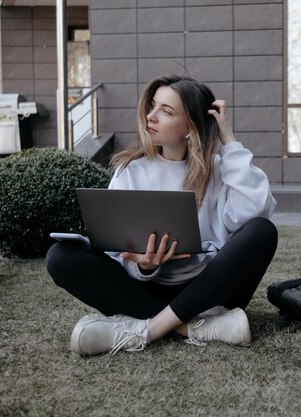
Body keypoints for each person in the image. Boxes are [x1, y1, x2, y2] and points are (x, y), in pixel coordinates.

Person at [46, 74, 278, 356]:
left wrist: (228, 140)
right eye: (152, 106)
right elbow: (116, 253)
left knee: (262, 232)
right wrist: (144, 267)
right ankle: (191, 327)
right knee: (61, 257)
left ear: (190, 127)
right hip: (143, 292)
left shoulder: (221, 170)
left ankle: (148, 329)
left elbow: (255, 211)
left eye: (166, 111)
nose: (151, 116)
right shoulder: (130, 171)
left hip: (207, 291)